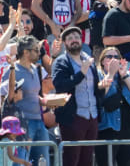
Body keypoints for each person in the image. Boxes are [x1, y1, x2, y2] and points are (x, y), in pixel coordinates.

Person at [52, 27, 101, 166]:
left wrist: (102, 85)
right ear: (65, 43)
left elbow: (94, 87)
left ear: (81, 40)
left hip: (92, 116)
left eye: (76, 37)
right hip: (73, 117)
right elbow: (60, 85)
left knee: (87, 160)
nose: (74, 40)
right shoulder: (61, 62)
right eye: (70, 38)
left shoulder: (88, 60)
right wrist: (81, 73)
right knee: (71, 159)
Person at [94, 45, 130, 166]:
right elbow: (100, 95)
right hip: (108, 128)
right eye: (109, 56)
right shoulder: (98, 74)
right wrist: (110, 74)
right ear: (102, 61)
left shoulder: (127, 74)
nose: (113, 59)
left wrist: (125, 75)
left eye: (116, 57)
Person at [6, 35, 52, 166]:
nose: (39, 53)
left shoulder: (36, 69)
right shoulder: (12, 70)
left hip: (39, 121)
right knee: (21, 162)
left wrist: (44, 101)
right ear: (26, 52)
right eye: (36, 50)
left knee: (43, 162)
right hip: (22, 123)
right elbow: (7, 97)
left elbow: (34, 94)